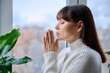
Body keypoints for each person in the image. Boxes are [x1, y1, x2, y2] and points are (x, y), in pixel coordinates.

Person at [41, 4, 106, 73]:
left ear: (79, 26)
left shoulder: (86, 55)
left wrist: (51, 55)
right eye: (58, 22)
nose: (56, 27)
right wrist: (49, 55)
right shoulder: (64, 52)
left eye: (62, 22)